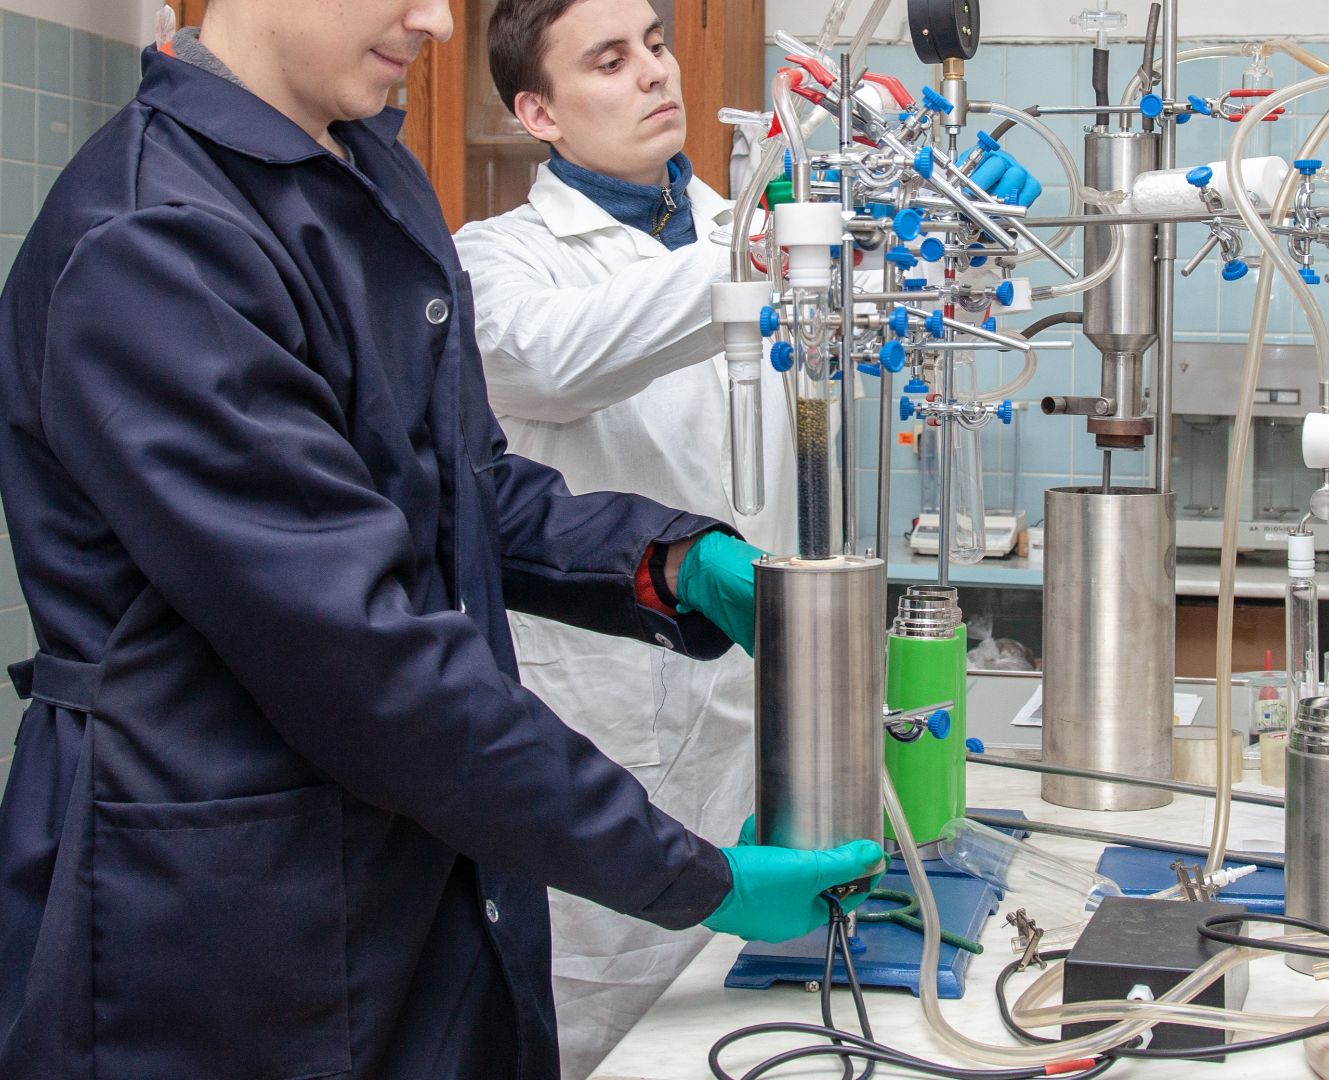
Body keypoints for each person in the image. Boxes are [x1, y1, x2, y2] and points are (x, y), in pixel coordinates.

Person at [0, 2, 881, 1078]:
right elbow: (365, 658)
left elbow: (454, 486)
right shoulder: (159, 239)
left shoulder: (359, 170)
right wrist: (693, 876)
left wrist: (664, 562)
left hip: (403, 863)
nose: (436, 21)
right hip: (227, 917)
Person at [454, 2, 1041, 1072]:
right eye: (609, 59)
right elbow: (550, 357)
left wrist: (947, 226)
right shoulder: (496, 263)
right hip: (603, 761)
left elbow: (915, 304)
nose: (653, 74)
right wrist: (775, 233)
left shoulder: (752, 223)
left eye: (657, 44)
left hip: (763, 744)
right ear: (535, 111)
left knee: (744, 1041)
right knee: (596, 1051)